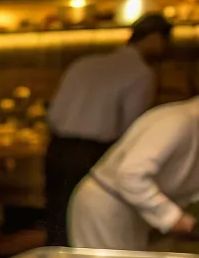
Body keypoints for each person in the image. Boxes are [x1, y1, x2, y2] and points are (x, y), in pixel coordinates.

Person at [44, 13, 172, 245]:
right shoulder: (140, 73)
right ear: (154, 38)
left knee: (57, 221)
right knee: (88, 230)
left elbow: (54, 113)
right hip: (94, 155)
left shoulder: (83, 63)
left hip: (57, 149)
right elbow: (133, 130)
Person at [68, 97, 199, 250]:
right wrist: (171, 215)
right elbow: (130, 175)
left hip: (134, 210)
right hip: (108, 206)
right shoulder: (178, 123)